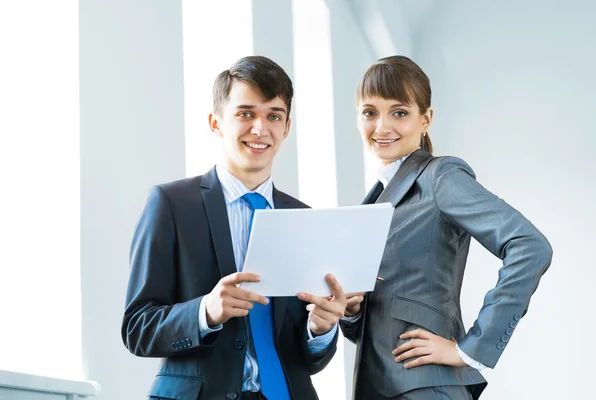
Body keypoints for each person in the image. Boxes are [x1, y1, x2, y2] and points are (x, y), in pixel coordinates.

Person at [122, 56, 346, 400]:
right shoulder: (171, 203)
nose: (260, 129)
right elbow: (137, 327)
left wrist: (320, 329)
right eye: (245, 114)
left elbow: (306, 359)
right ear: (216, 123)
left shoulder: (305, 218)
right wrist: (206, 311)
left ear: (286, 128)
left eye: (273, 116)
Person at [340, 55, 553, 400]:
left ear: (425, 119)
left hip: (426, 387)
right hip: (381, 385)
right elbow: (391, 308)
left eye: (399, 112)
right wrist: (351, 312)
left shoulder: (441, 177)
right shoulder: (375, 199)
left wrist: (471, 349)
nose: (382, 127)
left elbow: (530, 246)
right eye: (369, 112)